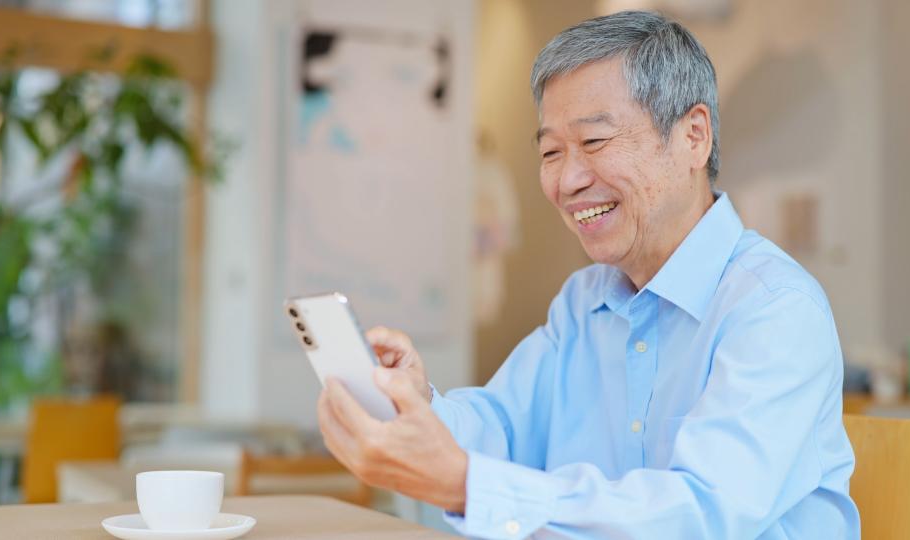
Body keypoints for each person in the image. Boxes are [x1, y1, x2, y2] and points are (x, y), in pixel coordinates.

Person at [316, 10, 860, 539]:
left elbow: (701, 514)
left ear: (694, 136)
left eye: (595, 142)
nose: (568, 179)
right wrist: (417, 405)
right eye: (551, 151)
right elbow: (503, 427)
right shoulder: (584, 300)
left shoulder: (774, 309)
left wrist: (466, 485)